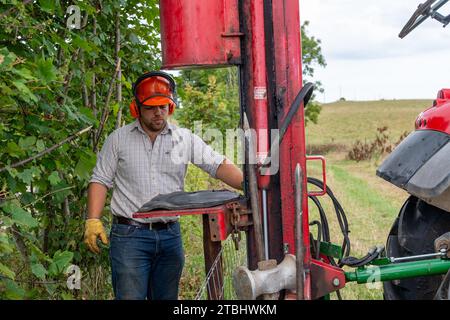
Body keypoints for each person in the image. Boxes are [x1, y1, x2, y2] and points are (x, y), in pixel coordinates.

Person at [83, 71, 243, 300]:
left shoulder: (183, 138)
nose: (158, 113)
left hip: (169, 236)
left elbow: (217, 165)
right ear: (136, 109)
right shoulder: (118, 139)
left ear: (171, 107)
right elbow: (100, 180)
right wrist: (93, 219)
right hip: (130, 236)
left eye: (163, 106)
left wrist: (249, 185)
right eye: (151, 107)